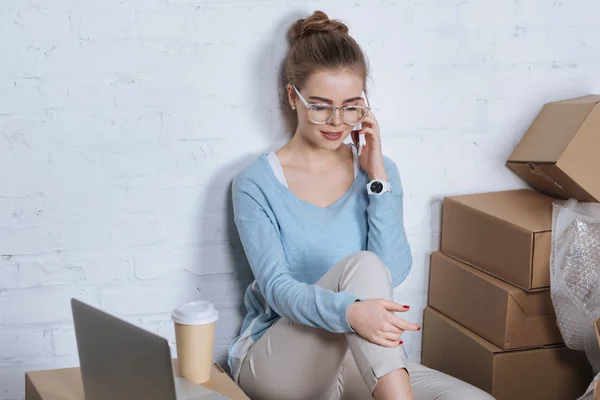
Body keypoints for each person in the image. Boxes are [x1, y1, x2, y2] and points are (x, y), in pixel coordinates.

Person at [227, 10, 494, 400]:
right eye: (320, 106)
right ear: (292, 97)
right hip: (279, 359)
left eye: (351, 106)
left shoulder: (379, 174)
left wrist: (378, 180)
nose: (337, 121)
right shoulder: (256, 183)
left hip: (354, 353)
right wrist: (350, 312)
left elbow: (393, 272)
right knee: (363, 266)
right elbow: (278, 288)